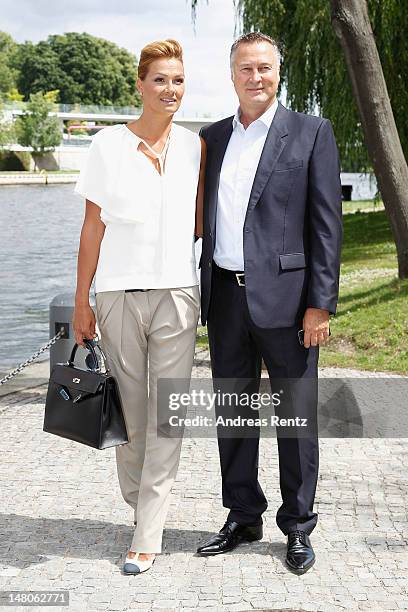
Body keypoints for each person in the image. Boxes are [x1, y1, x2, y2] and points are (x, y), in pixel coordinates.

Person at [196, 32, 342, 574]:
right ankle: (243, 513)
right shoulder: (211, 139)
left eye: (265, 68)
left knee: (296, 419)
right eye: (245, 69)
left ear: (278, 72)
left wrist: (320, 303)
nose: (255, 77)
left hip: (290, 303)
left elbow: (327, 225)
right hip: (225, 299)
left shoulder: (311, 132)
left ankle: (298, 526)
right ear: (231, 75)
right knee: (232, 415)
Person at [72, 38, 205, 575]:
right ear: (140, 84)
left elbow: (199, 222)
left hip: (178, 291)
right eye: (159, 80)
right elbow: (91, 227)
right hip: (117, 294)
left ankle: (148, 531)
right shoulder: (106, 145)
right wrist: (82, 300)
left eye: (177, 80)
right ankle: (140, 503)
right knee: (131, 416)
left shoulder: (196, 147)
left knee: (167, 415)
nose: (169, 89)